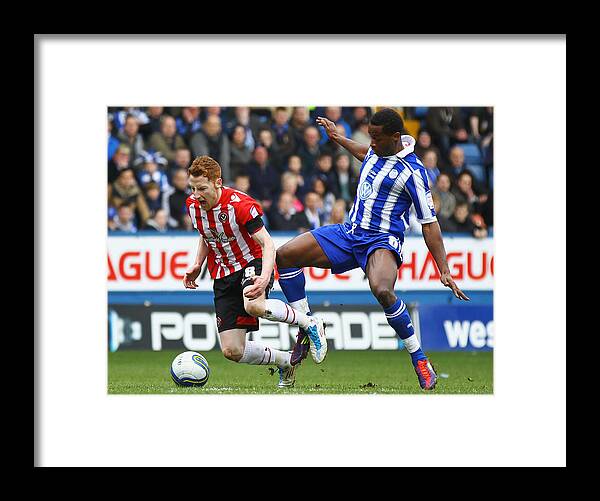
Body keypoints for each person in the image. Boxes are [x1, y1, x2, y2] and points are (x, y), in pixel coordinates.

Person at [275, 108, 470, 391]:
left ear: (395, 137)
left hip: (381, 241)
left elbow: (429, 223)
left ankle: (419, 358)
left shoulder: (413, 172)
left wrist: (444, 269)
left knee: (382, 290)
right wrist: (337, 137)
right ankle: (307, 326)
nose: (372, 143)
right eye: (370, 137)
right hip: (349, 232)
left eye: (376, 138)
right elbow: (364, 152)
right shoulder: (376, 150)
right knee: (284, 256)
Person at [182, 156, 326, 388]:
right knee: (232, 350)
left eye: (202, 188)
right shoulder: (193, 206)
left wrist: (264, 276)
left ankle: (309, 323)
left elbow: (268, 244)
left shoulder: (239, 205)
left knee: (254, 305)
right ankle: (286, 361)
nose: (196, 195)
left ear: (218, 182)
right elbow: (206, 233)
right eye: (192, 188)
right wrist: (198, 263)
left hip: (252, 261)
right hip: (223, 272)